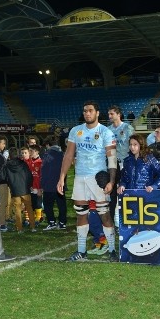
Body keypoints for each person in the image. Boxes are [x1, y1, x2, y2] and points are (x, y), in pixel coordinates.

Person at [57, 100, 118, 262]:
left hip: (98, 179)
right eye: (85, 111)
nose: (87, 113)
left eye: (90, 110)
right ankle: (81, 250)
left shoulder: (105, 132)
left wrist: (111, 181)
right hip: (80, 178)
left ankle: (112, 249)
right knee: (81, 214)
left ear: (97, 113)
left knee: (104, 214)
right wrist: (61, 178)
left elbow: (112, 159)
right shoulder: (76, 131)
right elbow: (69, 155)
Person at [107, 105, 134, 226]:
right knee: (112, 191)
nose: (109, 116)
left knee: (124, 190)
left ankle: (126, 218)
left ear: (119, 114)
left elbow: (134, 144)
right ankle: (114, 220)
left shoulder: (128, 128)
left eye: (112, 114)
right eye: (109, 114)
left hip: (124, 163)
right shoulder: (107, 130)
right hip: (111, 163)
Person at [4, 147, 36, 233]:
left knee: (17, 209)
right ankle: (33, 226)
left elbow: (6, 177)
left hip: (15, 189)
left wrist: (10, 186)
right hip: (25, 188)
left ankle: (19, 228)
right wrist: (28, 185)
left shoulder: (7, 165)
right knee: (29, 208)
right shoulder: (23, 164)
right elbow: (29, 175)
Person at [41, 135, 67, 231]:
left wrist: (42, 184)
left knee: (47, 204)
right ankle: (62, 223)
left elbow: (44, 170)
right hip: (61, 183)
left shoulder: (47, 154)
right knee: (61, 204)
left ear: (48, 144)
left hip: (49, 184)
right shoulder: (62, 153)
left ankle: (51, 222)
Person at [28, 144, 43, 223]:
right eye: (29, 151)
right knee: (32, 202)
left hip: (38, 187)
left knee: (38, 202)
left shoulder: (40, 162)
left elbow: (42, 176)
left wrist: (40, 188)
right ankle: (33, 216)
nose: (30, 152)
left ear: (37, 152)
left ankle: (39, 217)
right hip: (31, 186)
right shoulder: (29, 161)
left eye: (31, 151)